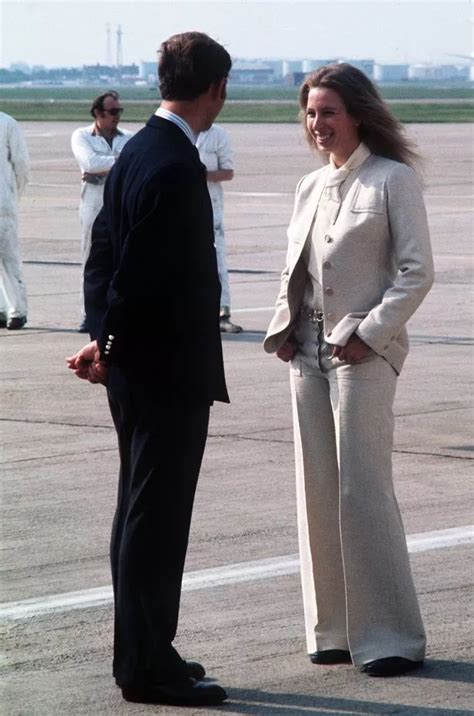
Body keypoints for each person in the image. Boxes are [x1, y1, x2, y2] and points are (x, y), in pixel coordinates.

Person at [66, 32, 231, 706]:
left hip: (135, 366)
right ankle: (145, 668)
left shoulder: (136, 151)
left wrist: (100, 337)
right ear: (216, 88)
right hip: (163, 369)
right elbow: (140, 275)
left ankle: (146, 649)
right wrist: (112, 342)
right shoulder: (172, 164)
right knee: (155, 522)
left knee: (140, 514)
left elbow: (102, 252)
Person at [264, 64, 434, 678]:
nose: (318, 124)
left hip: (364, 357)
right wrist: (284, 330)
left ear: (357, 113)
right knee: (316, 490)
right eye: (310, 113)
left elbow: (416, 273)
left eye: (329, 111)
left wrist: (368, 334)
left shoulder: (393, 180)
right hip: (305, 358)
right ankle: (331, 627)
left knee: (364, 490)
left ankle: (389, 634)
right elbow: (298, 271)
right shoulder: (310, 186)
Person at [71, 91, 132, 333]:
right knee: (90, 261)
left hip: (119, 205)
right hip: (93, 205)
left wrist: (103, 167)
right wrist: (118, 163)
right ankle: (88, 314)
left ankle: (117, 312)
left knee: (120, 260)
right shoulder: (81, 136)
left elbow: (108, 164)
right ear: (98, 113)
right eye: (113, 112)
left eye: (119, 112)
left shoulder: (128, 137)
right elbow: (90, 163)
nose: (117, 116)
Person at [196, 124, 242, 332]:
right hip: (181, 204)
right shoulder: (179, 132)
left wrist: (200, 175)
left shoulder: (217, 135)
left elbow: (228, 171)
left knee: (217, 259)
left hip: (211, 206)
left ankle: (223, 312)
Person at [0, 111, 30, 330]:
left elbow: (21, 164)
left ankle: (18, 310)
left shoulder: (7, 123)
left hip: (2, 203)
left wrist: (12, 195)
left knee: (9, 257)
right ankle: (2, 309)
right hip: (5, 200)